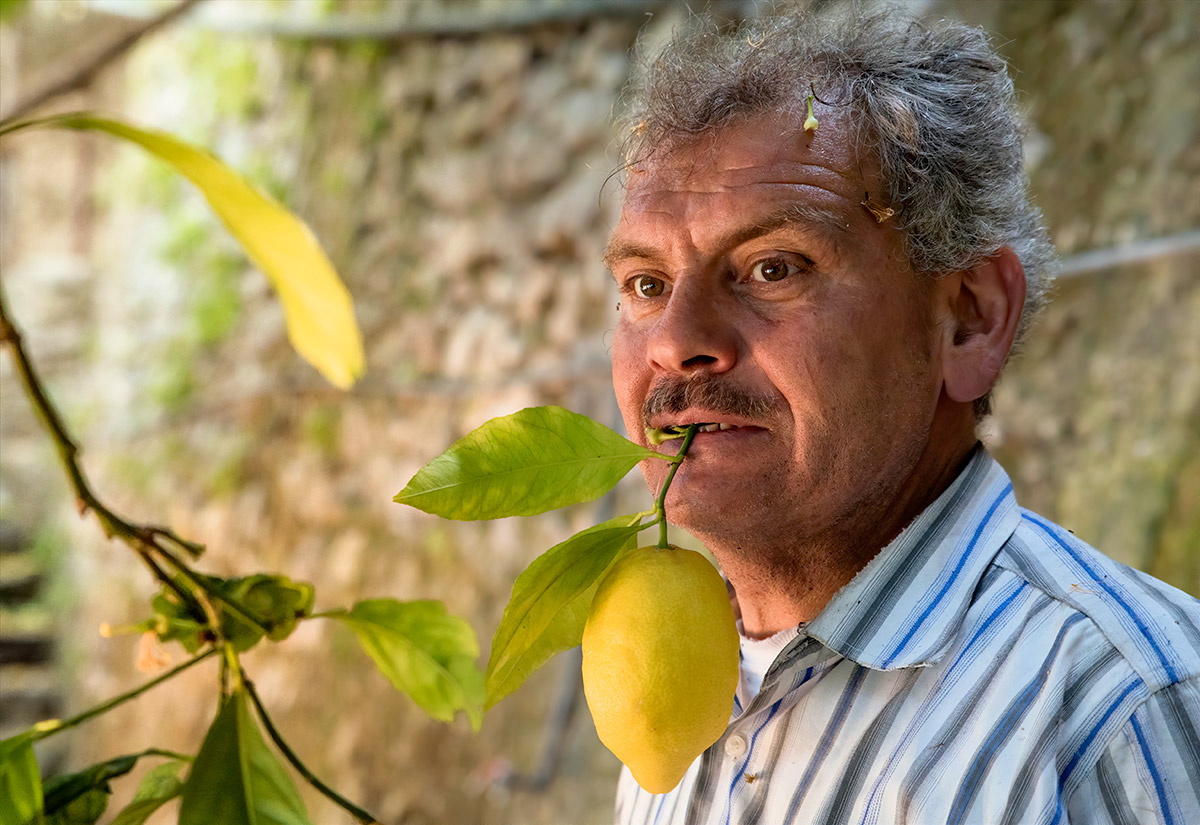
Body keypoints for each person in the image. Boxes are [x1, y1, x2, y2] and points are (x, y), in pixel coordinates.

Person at [602, 5, 1200, 824]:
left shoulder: (1116, 708)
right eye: (645, 284)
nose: (676, 344)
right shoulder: (670, 689)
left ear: (968, 317)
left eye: (773, 267)